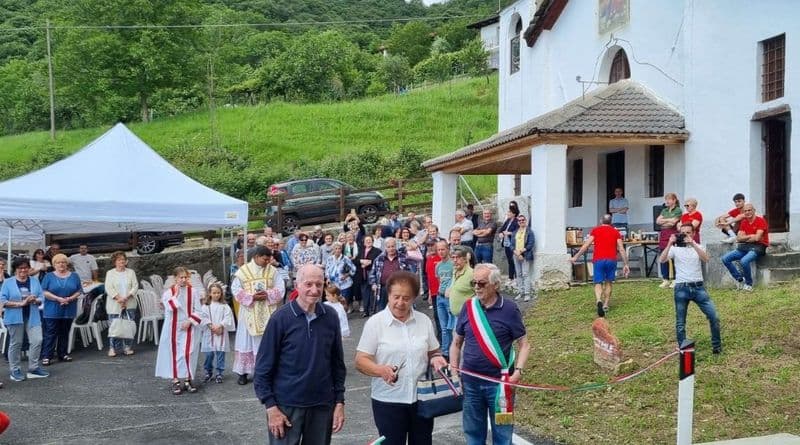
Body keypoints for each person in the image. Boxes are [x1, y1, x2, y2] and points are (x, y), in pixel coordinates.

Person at [254, 264, 346, 445]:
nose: (314, 290)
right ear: (297, 285)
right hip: (286, 406)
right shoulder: (280, 319)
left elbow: (337, 364)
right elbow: (263, 368)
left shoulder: (331, 317)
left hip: (321, 404)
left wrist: (339, 402)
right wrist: (271, 407)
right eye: (308, 284)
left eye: (319, 284)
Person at [355, 271, 448, 445]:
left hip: (422, 400)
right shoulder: (375, 323)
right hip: (388, 401)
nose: (400, 303)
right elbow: (360, 360)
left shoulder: (424, 321)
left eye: (406, 298)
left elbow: (434, 352)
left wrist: (436, 359)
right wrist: (379, 370)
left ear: (414, 298)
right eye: (396, 297)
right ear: (388, 295)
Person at [450, 263, 530, 445]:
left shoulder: (509, 309)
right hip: (471, 384)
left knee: (503, 433)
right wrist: (454, 372)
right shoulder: (468, 307)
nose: (476, 287)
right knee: (473, 433)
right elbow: (456, 343)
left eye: (482, 283)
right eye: (474, 283)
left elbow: (524, 344)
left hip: (500, 386)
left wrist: (518, 372)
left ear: (495, 285)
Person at [659, 223, 722, 354]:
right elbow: (662, 259)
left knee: (714, 316)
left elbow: (706, 259)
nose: (685, 235)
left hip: (698, 287)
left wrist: (692, 244)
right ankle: (683, 348)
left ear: (693, 233)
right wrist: (670, 243)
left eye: (688, 232)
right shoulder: (675, 249)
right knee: (680, 322)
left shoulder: (698, 246)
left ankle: (717, 346)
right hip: (681, 287)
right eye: (683, 233)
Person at [232, 246, 285, 385]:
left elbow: (281, 288)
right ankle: (243, 372)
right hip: (249, 310)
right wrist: (252, 297)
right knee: (246, 341)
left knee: (266, 341)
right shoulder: (243, 271)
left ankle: (265, 371)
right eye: (265, 259)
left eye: (269, 259)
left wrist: (267, 294)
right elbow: (235, 289)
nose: (268, 262)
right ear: (256, 257)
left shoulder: (272, 271)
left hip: (267, 310)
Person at [156, 267, 206, 395]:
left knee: (189, 353)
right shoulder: (168, 293)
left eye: (185, 277)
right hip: (173, 327)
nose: (183, 280)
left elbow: (199, 311)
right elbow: (171, 308)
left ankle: (188, 379)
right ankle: (176, 380)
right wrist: (176, 294)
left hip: (189, 325)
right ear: (175, 278)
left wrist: (189, 321)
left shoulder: (193, 292)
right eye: (181, 277)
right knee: (174, 354)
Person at [570, 214, 630, 317]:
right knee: (608, 282)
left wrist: (576, 256)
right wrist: (626, 264)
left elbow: (586, 245)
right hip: (611, 260)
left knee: (598, 282)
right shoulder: (616, 232)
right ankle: (606, 304)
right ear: (611, 222)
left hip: (598, 260)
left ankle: (598, 300)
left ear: (601, 220)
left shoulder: (595, 230)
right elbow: (621, 248)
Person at [1, 258, 49, 381]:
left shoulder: (34, 281)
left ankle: (33, 368)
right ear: (15, 269)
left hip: (32, 315)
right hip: (14, 317)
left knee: (37, 340)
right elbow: (2, 301)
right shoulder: (8, 282)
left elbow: (41, 297)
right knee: (16, 343)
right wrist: (22, 303)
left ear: (29, 268)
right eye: (20, 268)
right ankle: (15, 370)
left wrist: (35, 300)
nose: (23, 270)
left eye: (25, 267)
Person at [40, 254, 82, 365]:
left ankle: (62, 354)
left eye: (63, 262)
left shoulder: (74, 276)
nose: (61, 264)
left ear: (67, 263)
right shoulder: (48, 276)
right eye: (58, 262)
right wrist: (58, 299)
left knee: (65, 332)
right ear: (54, 264)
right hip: (52, 309)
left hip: (69, 308)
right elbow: (44, 291)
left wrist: (70, 298)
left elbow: (79, 290)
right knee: (50, 333)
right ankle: (47, 356)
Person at [721, 203, 769, 291]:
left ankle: (748, 284)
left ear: (754, 210)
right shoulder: (744, 222)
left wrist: (745, 238)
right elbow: (739, 238)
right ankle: (739, 279)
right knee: (725, 258)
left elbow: (757, 238)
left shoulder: (761, 220)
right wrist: (750, 237)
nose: (747, 212)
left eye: (749, 210)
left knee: (744, 261)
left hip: (759, 246)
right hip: (745, 246)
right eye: (745, 211)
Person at [104, 251, 139, 357]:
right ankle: (112, 348)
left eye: (123, 259)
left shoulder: (131, 272)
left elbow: (135, 286)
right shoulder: (110, 273)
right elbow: (108, 288)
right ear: (115, 262)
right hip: (115, 304)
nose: (122, 262)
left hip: (130, 302)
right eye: (119, 260)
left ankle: (127, 347)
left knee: (128, 326)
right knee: (114, 326)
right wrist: (119, 298)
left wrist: (126, 297)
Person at [200, 283, 235, 384]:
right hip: (209, 332)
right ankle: (208, 371)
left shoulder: (224, 306)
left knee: (220, 354)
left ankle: (219, 372)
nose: (216, 295)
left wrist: (220, 326)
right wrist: (211, 326)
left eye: (218, 293)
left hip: (221, 332)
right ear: (210, 294)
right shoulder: (206, 306)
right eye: (214, 293)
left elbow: (228, 317)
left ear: (221, 293)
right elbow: (203, 317)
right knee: (209, 354)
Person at [370, 238, 409, 314]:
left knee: (399, 310)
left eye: (393, 246)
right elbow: (372, 274)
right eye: (389, 247)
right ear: (385, 247)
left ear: (396, 246)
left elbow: (409, 273)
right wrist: (373, 284)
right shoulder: (379, 259)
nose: (391, 249)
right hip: (383, 288)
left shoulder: (403, 257)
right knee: (382, 311)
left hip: (399, 288)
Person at [656, 192, 683, 288]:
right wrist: (668, 220)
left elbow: (673, 223)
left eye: (669, 199)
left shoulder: (678, 210)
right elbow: (657, 221)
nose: (666, 201)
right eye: (666, 199)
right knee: (664, 257)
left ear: (674, 200)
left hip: (672, 235)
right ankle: (665, 279)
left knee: (674, 257)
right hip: (663, 235)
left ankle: (675, 279)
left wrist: (664, 222)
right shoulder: (664, 210)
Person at [434, 241, 455, 360]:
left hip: (449, 298)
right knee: (443, 327)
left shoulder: (452, 264)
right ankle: (445, 352)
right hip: (439, 297)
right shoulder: (438, 266)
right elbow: (439, 280)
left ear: (447, 249)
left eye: (443, 249)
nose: (441, 252)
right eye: (439, 250)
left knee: (449, 326)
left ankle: (450, 351)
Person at [324, 242, 356, 311]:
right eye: (336, 248)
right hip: (334, 284)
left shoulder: (345, 258)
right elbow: (327, 270)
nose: (338, 250)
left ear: (341, 249)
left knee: (343, 302)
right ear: (333, 249)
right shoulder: (330, 259)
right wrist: (328, 278)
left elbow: (354, 269)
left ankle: (343, 315)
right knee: (335, 301)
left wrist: (347, 275)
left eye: (339, 248)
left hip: (344, 284)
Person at [355, 235, 381, 317]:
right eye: (366, 240)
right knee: (365, 294)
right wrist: (361, 261)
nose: (368, 242)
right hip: (363, 276)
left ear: (372, 241)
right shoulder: (361, 250)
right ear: (364, 242)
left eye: (370, 240)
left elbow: (379, 261)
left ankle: (373, 310)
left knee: (373, 294)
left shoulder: (377, 251)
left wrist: (370, 262)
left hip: (373, 275)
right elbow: (355, 261)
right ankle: (366, 311)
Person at [512, 214, 535, 302]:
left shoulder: (529, 232)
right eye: (519, 220)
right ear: (517, 222)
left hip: (525, 255)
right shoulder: (515, 232)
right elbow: (511, 244)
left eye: (523, 220)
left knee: (525, 274)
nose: (521, 221)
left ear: (525, 221)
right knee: (518, 274)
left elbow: (531, 244)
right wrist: (516, 253)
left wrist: (521, 252)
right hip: (516, 255)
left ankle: (527, 293)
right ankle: (520, 292)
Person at [447, 246, 474, 319]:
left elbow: (480, 294)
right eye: (453, 258)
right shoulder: (454, 271)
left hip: (468, 317)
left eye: (458, 257)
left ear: (465, 259)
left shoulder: (472, 274)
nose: (455, 260)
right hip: (456, 317)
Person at [497, 210, 519, 283]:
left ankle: (516, 277)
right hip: (506, 243)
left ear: (514, 213)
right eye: (508, 212)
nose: (508, 213)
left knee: (514, 260)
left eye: (509, 212)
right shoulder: (507, 220)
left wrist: (510, 233)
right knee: (510, 260)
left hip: (513, 243)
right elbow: (501, 229)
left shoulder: (516, 221)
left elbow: (518, 231)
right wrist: (501, 233)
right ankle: (510, 277)